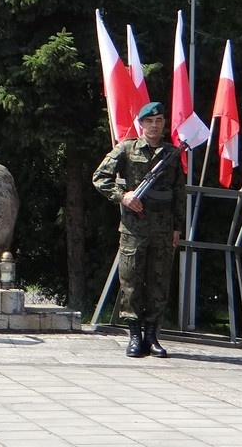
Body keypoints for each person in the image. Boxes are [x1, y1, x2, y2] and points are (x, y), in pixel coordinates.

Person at [92, 101, 185, 358]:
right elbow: (100, 177)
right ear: (141, 124)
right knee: (131, 281)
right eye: (149, 122)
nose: (154, 126)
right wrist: (123, 196)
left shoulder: (172, 154)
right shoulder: (127, 148)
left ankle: (152, 336)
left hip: (163, 230)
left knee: (159, 282)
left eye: (159, 121)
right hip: (134, 228)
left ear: (164, 123)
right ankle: (134, 336)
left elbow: (179, 193)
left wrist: (178, 227)